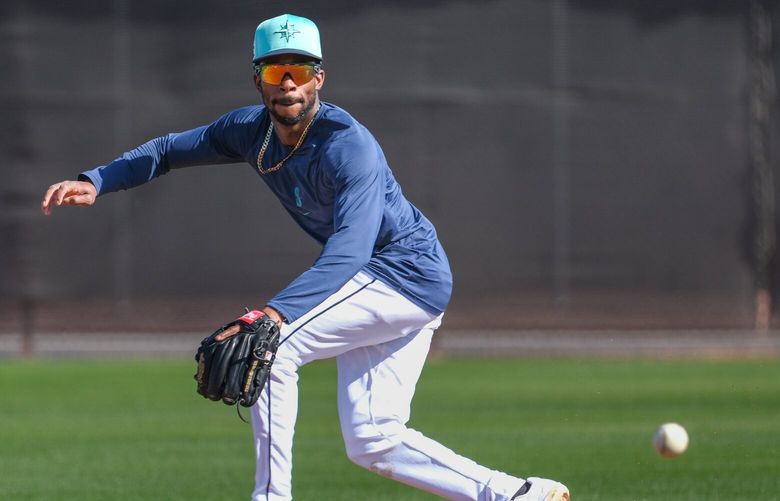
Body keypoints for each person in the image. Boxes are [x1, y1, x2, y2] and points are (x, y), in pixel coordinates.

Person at [40, 13, 570, 501]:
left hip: (400, 273)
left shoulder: (348, 146)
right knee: (373, 441)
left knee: (269, 347)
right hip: (387, 282)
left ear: (319, 78)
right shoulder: (249, 131)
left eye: (299, 69)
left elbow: (352, 249)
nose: (287, 82)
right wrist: (96, 181)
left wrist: (274, 313)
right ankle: (513, 493)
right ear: (258, 81)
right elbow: (167, 150)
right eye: (275, 71)